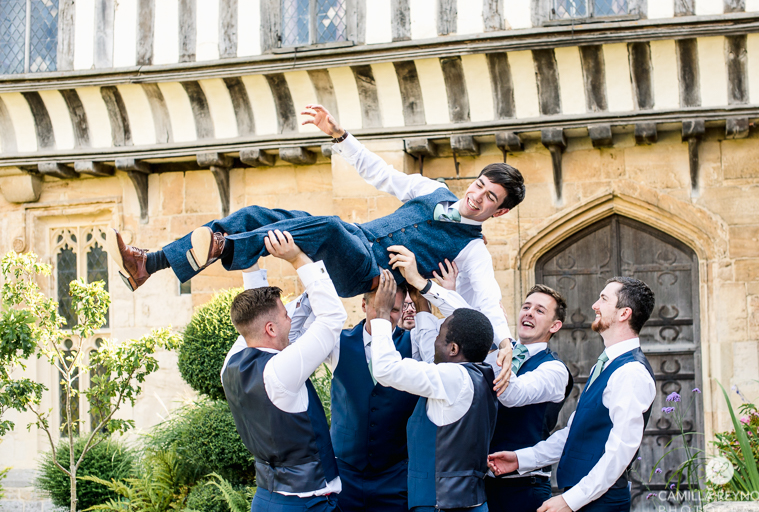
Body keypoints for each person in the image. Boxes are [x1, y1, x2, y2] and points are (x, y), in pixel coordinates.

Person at [106, 104, 524, 362]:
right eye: (479, 186)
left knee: (323, 228)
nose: (477, 197)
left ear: (499, 211)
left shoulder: (472, 249)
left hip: (369, 271)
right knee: (258, 212)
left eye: (489, 198)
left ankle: (225, 245)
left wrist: (504, 344)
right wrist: (338, 135)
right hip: (354, 233)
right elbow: (381, 174)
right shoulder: (432, 190)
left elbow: (486, 302)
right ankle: (149, 264)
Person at [388, 247, 574, 512]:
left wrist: (496, 341)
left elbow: (509, 393)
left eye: (540, 310)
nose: (528, 313)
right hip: (478, 491)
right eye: (526, 306)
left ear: (555, 325)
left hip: (521, 490)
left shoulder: (554, 370)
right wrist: (430, 303)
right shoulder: (496, 352)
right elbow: (445, 349)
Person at [228, 270, 430, 512]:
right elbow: (287, 340)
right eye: (381, 307)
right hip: (345, 473)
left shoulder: (415, 345)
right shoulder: (337, 342)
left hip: (393, 477)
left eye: (393, 310)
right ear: (364, 305)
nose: (387, 316)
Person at [487, 277, 657, 512]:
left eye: (603, 299)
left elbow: (619, 454)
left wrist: (571, 500)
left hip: (598, 506)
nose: (594, 304)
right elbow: (573, 433)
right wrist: (521, 459)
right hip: (584, 502)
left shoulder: (631, 372)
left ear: (624, 313)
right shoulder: (607, 365)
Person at [220, 230, 347, 512]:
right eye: (285, 315)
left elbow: (255, 311)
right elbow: (332, 318)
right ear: (270, 328)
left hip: (265, 502)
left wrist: (249, 261)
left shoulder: (231, 361)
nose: (291, 319)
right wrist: (298, 259)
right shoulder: (280, 371)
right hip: (304, 511)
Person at [369, 269, 499, 512]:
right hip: (468, 510)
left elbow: (385, 369)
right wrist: (422, 304)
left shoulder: (452, 378)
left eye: (441, 333)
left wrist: (381, 316)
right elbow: (432, 353)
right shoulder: (481, 372)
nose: (435, 338)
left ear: (453, 349)